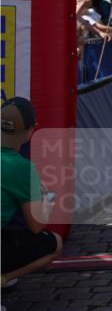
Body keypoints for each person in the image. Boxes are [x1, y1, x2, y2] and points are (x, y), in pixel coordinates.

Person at [1, 97, 63, 291]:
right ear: (30, 131)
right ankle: (3, 279)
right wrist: (46, 200)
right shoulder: (22, 167)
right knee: (55, 243)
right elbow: (36, 225)